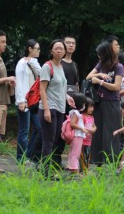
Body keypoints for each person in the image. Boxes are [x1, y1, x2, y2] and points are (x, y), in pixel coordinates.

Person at [38, 39, 75, 176]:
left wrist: (67, 97)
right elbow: (42, 90)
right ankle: (46, 171)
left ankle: (49, 168)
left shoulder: (60, 67)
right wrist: (46, 110)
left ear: (65, 51)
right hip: (49, 107)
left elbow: (61, 87)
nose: (59, 50)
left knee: (55, 140)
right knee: (48, 141)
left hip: (60, 108)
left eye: (61, 48)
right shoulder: (47, 67)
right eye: (56, 48)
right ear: (51, 51)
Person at [87, 40, 124, 165]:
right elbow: (88, 77)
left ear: (105, 53)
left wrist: (101, 82)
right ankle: (97, 160)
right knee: (98, 132)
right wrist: (100, 74)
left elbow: (116, 87)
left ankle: (112, 161)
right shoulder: (100, 65)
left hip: (112, 102)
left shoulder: (118, 67)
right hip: (99, 102)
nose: (98, 57)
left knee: (111, 132)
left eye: (100, 54)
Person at [54, 35, 81, 167]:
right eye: (68, 43)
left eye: (73, 43)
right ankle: (55, 159)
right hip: (61, 101)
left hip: (74, 102)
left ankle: (72, 162)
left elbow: (77, 84)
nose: (70, 45)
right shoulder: (59, 64)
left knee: (72, 131)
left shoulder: (75, 64)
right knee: (60, 130)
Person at [14, 39, 42, 163]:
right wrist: (21, 100)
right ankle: (21, 157)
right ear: (30, 49)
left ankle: (29, 154)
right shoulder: (21, 63)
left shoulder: (33, 62)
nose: (39, 51)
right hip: (24, 101)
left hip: (33, 101)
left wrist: (34, 61)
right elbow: (19, 82)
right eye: (37, 48)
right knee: (24, 130)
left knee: (39, 128)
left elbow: (42, 74)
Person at [66, 93, 89, 174]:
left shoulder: (73, 112)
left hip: (77, 135)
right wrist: (82, 128)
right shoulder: (76, 112)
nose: (84, 106)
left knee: (73, 152)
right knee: (76, 153)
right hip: (77, 135)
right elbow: (73, 124)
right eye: (84, 103)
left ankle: (71, 167)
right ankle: (75, 171)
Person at [80, 97, 97, 173]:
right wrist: (92, 130)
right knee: (82, 156)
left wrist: (94, 129)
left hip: (89, 141)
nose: (92, 109)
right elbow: (82, 127)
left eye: (92, 107)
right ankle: (83, 171)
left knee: (87, 155)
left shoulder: (92, 117)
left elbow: (94, 126)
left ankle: (85, 170)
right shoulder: (82, 116)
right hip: (82, 141)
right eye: (90, 107)